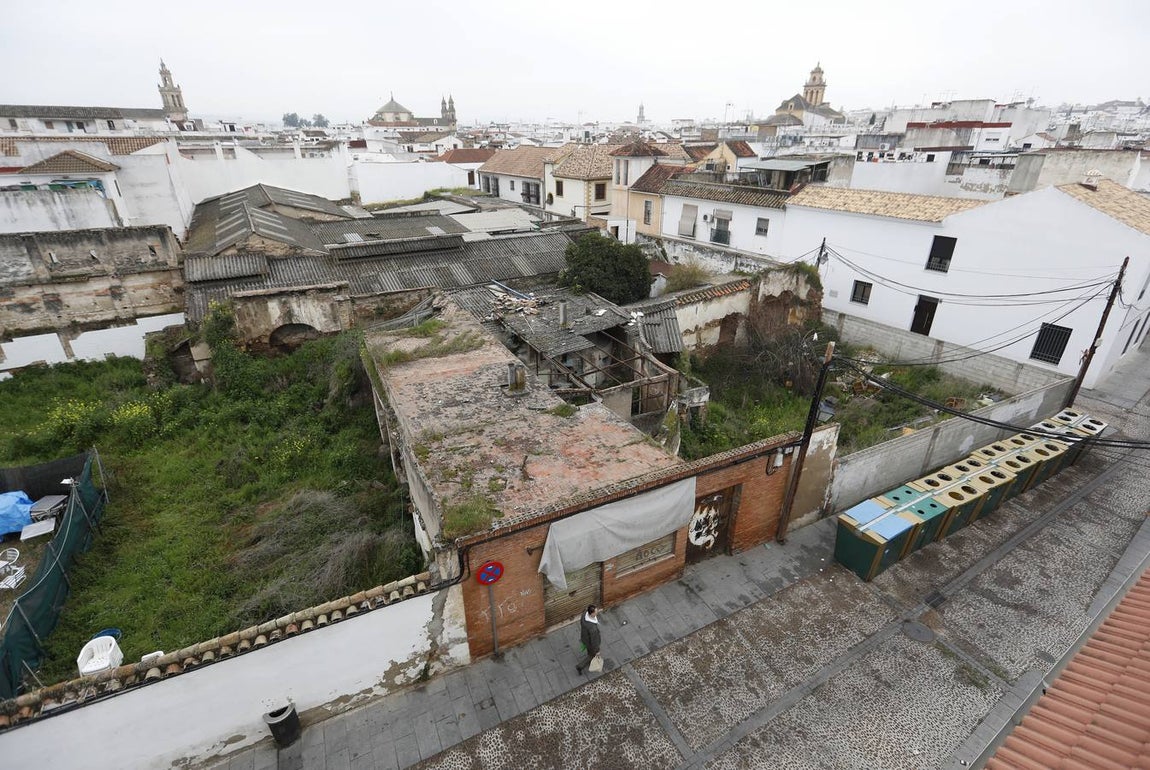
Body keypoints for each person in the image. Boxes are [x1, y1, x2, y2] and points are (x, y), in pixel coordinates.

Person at [575, 604, 601, 675]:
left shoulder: (584, 614)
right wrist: (597, 651)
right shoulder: (593, 629)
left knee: (589, 651)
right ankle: (580, 666)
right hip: (590, 642)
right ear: (592, 613)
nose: (597, 612)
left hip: (584, 638)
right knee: (592, 655)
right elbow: (594, 642)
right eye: (596, 611)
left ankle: (590, 654)